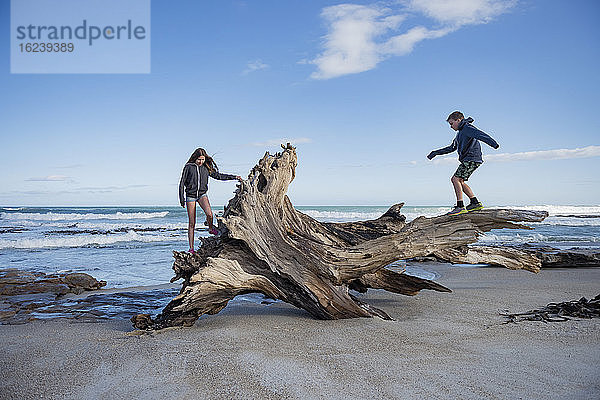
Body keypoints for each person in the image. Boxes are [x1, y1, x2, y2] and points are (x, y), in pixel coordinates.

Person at [427, 111, 499, 216]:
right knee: (460, 181)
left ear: (459, 120)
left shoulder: (467, 128)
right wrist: (435, 153)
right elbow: (451, 148)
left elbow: (481, 135)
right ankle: (475, 203)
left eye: (451, 123)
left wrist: (494, 144)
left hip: (472, 158)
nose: (451, 127)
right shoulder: (459, 134)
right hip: (469, 159)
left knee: (455, 179)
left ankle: (460, 206)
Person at [179, 148, 242, 252]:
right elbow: (182, 183)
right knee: (192, 223)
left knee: (209, 214)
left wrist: (234, 177)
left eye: (202, 159)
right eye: (199, 159)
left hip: (202, 194)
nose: (201, 162)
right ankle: (191, 248)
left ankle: (211, 228)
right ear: (195, 158)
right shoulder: (188, 167)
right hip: (190, 196)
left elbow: (219, 176)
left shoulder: (206, 167)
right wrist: (182, 198)